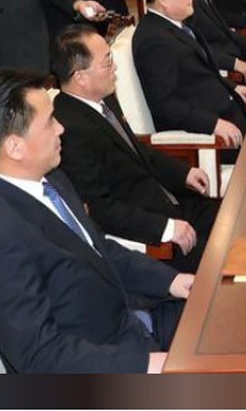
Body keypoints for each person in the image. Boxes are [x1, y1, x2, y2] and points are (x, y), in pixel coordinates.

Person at [0, 68, 192, 373]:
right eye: (49, 123)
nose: (61, 129)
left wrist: (172, 280)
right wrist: (144, 364)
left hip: (135, 320)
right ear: (14, 147)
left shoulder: (53, 178)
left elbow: (101, 250)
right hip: (103, 365)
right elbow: (40, 356)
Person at [51, 25, 219, 274]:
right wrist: (166, 228)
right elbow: (100, 209)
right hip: (153, 233)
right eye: (107, 62)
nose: (115, 68)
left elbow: (137, 151)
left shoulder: (102, 99)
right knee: (227, 260)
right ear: (81, 77)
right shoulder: (68, 129)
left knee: (238, 217)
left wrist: (182, 172)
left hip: (172, 203)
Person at [132, 0, 246, 161]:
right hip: (211, 138)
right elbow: (166, 106)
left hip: (230, 112)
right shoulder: (154, 41)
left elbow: (201, 73)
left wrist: (232, 88)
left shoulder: (176, 25)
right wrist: (214, 124)